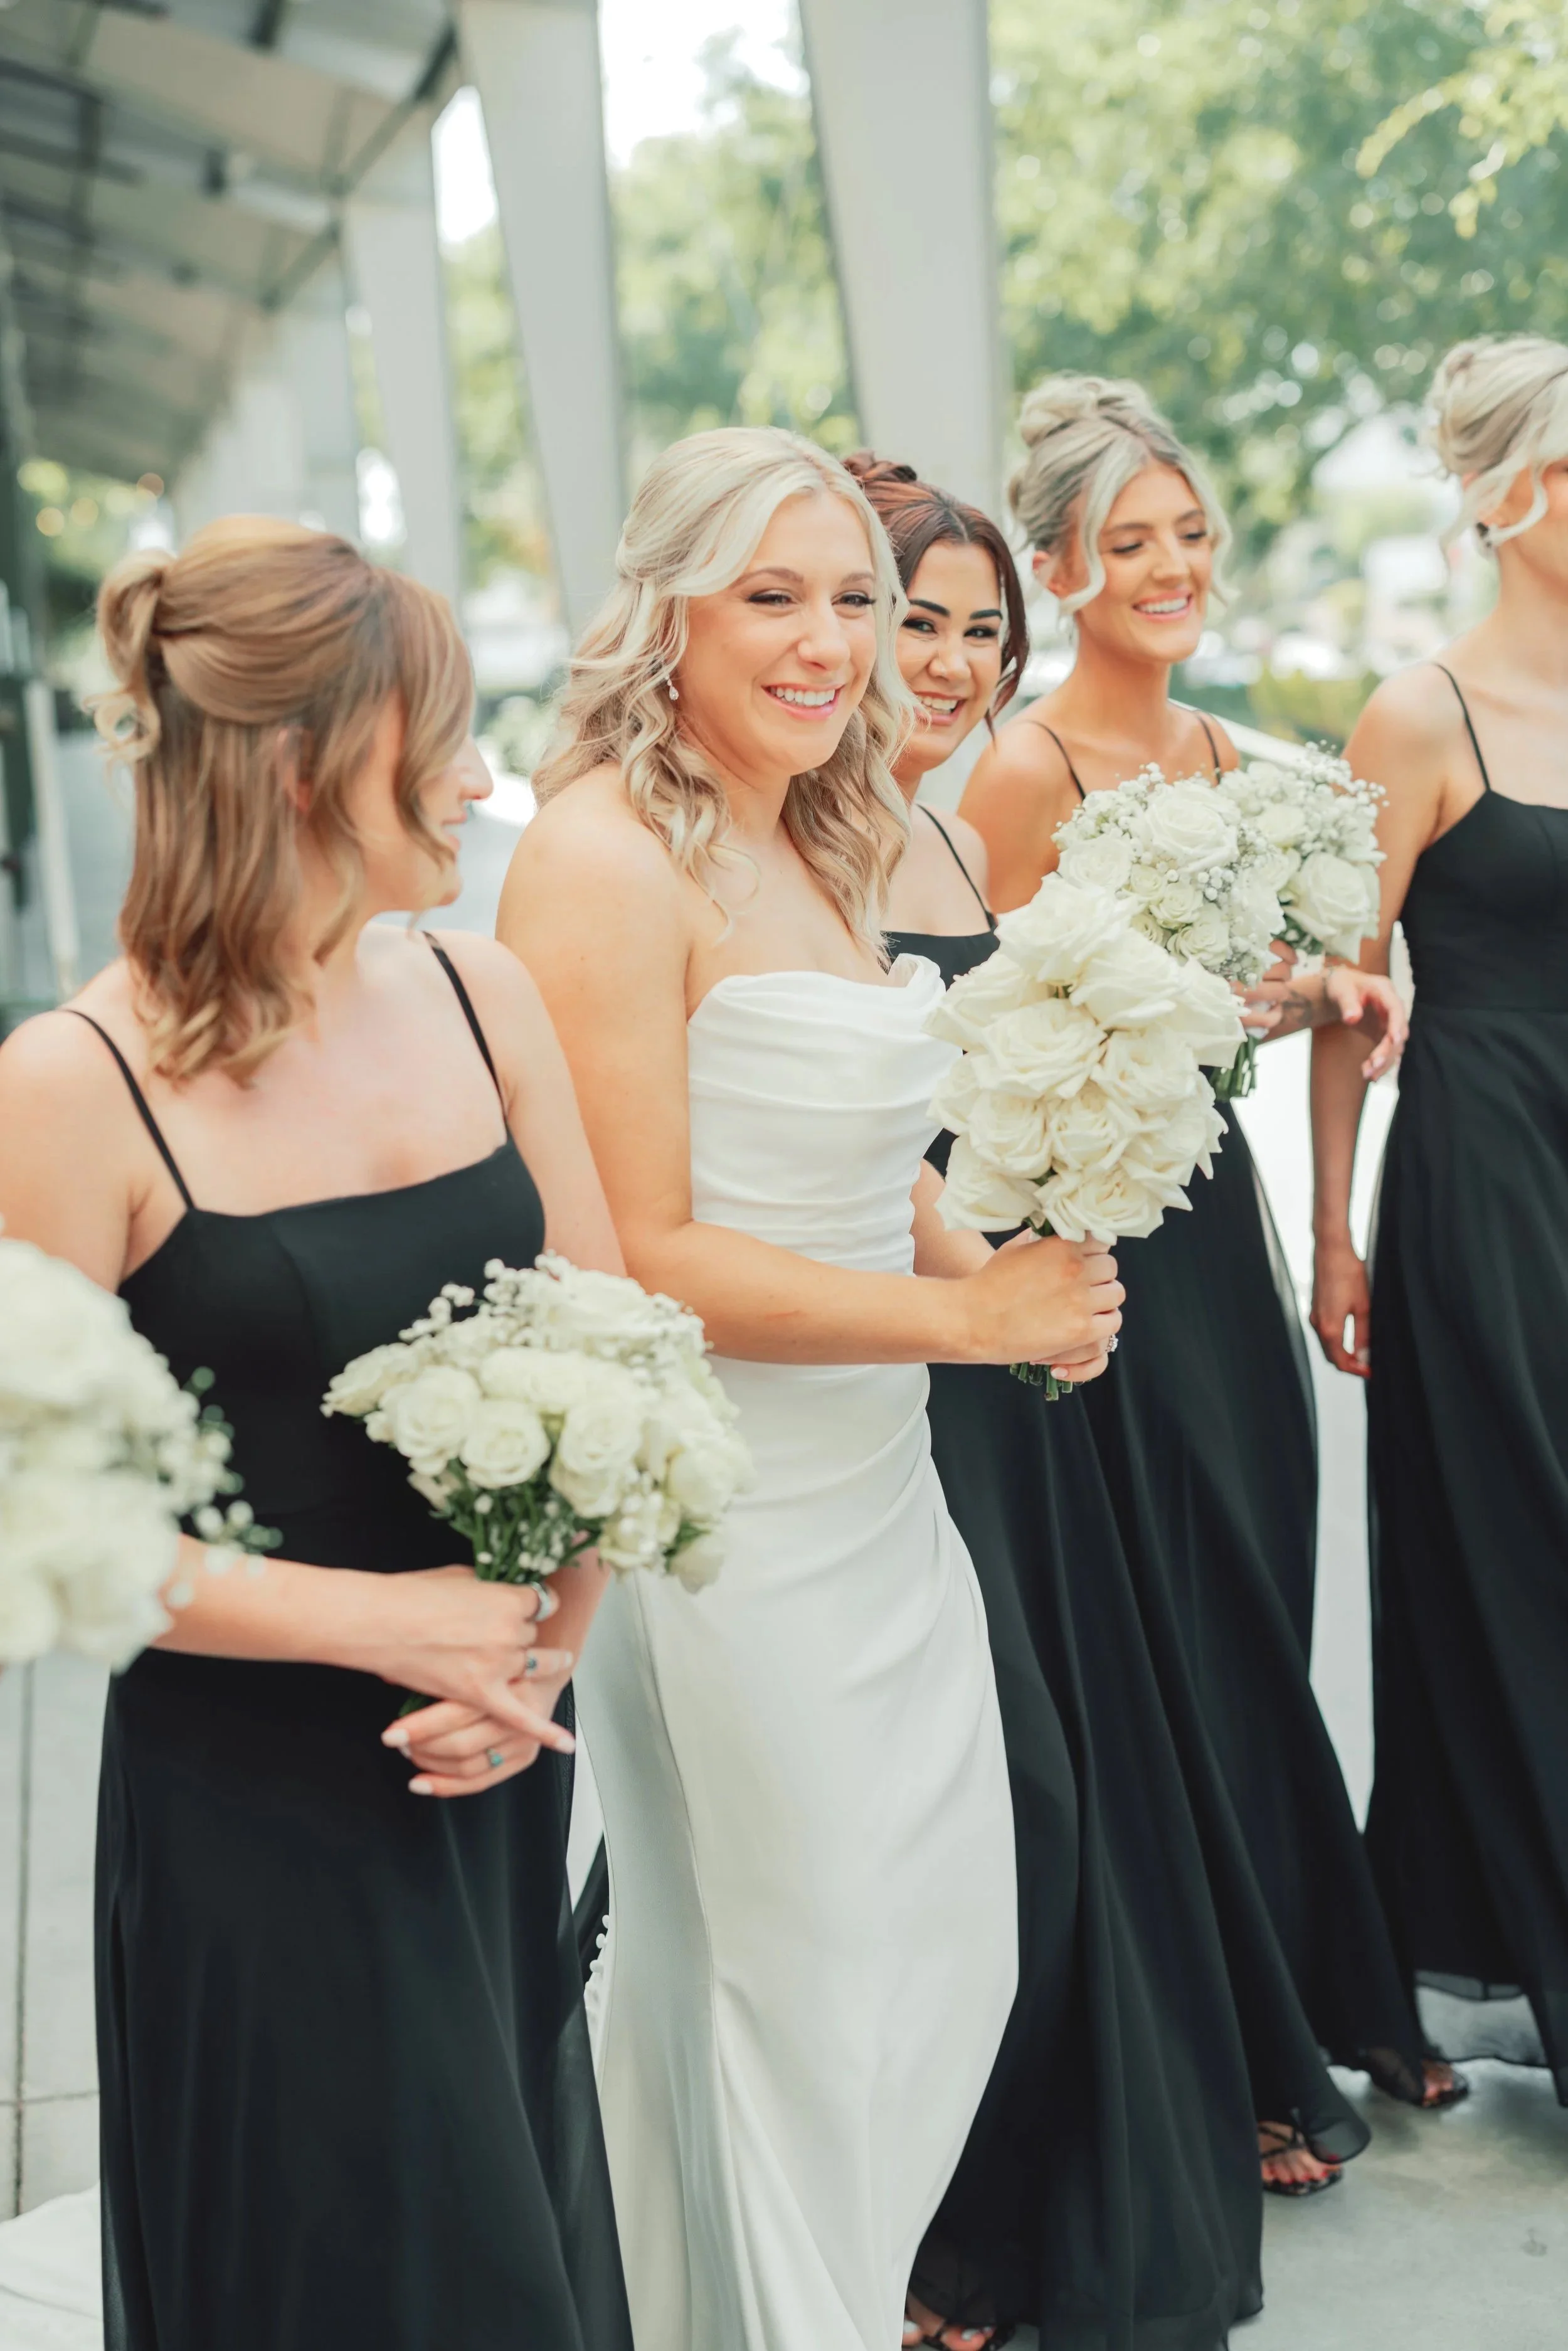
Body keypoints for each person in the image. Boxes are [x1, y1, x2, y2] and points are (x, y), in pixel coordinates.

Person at [495, 425, 1122, 2351]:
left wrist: (969, 1256)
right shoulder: (600, 852)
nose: (828, 641)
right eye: (771, 595)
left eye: (850, 596)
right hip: (724, 1529)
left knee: (936, 1959)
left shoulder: (813, 824)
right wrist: (970, 1325)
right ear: (662, 608)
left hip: (879, 1496)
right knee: (800, 1985)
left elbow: (849, 1140)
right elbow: (635, 1254)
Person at [0, 521, 633, 2351]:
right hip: (248, 1818)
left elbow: (617, 1361)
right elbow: (41, 1530)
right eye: (436, 731)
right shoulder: (73, 1083)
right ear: (299, 763)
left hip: (493, 1759)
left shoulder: (477, 990)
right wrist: (393, 1621)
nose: (479, 772)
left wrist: (541, 1641)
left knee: (515, 2243)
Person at [854, 452, 1343, 2350]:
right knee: (978, 1782)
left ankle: (1071, 2132)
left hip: (1001, 1329)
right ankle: (931, 2205)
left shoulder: (959, 852)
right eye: (916, 618)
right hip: (881, 1353)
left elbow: (1038, 1053)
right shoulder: (804, 846)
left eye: (979, 628)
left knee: (1059, 1757)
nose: (951, 662)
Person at [961, 374, 1459, 2184]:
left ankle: (1327, 1981)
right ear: (1062, 568)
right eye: (1129, 543)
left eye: (1188, 536)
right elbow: (991, 1018)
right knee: (1172, 1613)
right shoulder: (1025, 770)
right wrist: (1190, 1007)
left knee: (1256, 1589)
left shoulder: (1243, 762)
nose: (1169, 567)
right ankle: (1234, 2046)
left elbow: (1293, 959)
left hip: (1218, 1227)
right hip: (1090, 1237)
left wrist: (1325, 989)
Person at [1312, 334, 1568, 2104]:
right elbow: (1341, 996)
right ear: (1508, 491)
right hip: (1486, 1177)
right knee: (1527, 1554)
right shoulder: (1419, 715)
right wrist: (1329, 1230)